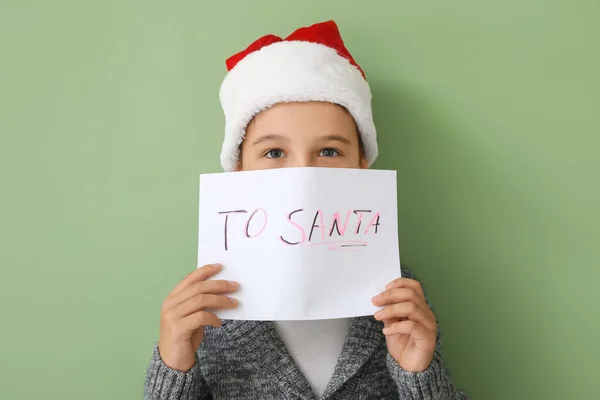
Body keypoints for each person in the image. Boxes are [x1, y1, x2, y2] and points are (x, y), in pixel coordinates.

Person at [144, 20, 468, 399]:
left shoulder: (395, 293)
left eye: (329, 151)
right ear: (238, 170)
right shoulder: (208, 301)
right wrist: (173, 365)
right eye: (274, 152)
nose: (302, 173)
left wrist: (420, 375)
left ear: (362, 165)